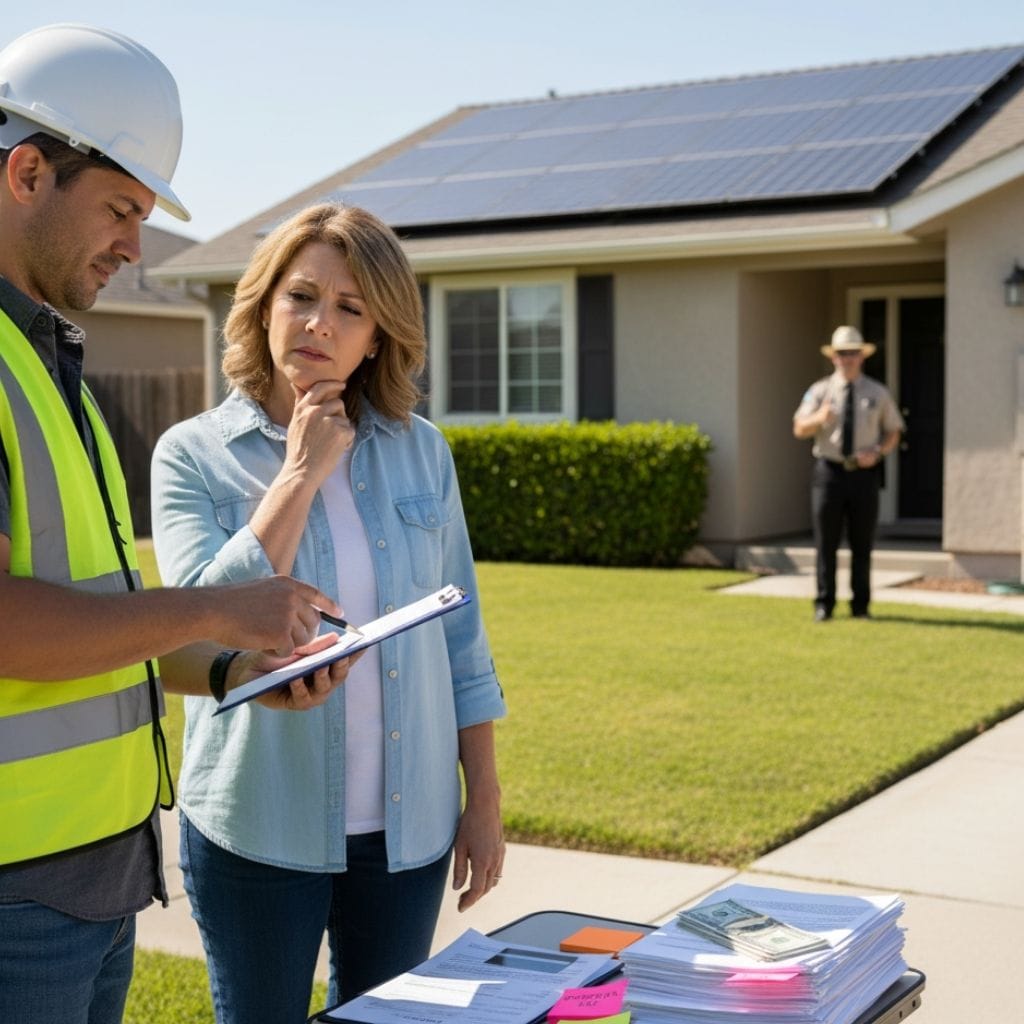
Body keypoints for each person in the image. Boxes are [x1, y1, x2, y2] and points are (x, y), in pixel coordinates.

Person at [0, 25, 353, 1024]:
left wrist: (237, 667)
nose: (134, 245)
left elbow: (106, 623)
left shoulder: (47, 366)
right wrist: (221, 605)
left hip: (92, 881)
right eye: (120, 209)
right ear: (28, 172)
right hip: (17, 895)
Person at [150, 202, 507, 1022]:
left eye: (351, 309)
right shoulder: (192, 453)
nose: (320, 324)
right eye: (301, 296)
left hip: (406, 831)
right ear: (264, 303)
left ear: (378, 336)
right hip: (255, 824)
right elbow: (200, 622)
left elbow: (461, 637)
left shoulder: (423, 450)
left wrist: (480, 798)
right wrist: (299, 473)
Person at [793, 325, 905, 622]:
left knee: (862, 542)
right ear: (834, 357)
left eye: (853, 353)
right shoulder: (820, 391)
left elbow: (894, 430)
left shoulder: (877, 392)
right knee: (825, 542)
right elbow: (799, 428)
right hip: (828, 473)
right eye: (842, 353)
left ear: (862, 356)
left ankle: (861, 607)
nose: (848, 358)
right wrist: (820, 418)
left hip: (863, 476)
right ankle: (824, 604)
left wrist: (879, 452)